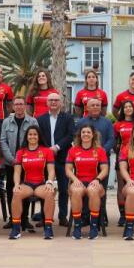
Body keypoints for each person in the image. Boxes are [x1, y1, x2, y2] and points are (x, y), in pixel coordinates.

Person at [8, 125, 56, 240]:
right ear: (26, 136)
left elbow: (51, 170)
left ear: (39, 136)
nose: (32, 136)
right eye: (30, 134)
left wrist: (49, 182)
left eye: (35, 134)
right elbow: (17, 172)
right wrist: (16, 185)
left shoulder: (46, 151)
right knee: (16, 193)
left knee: (49, 193)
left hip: (41, 183)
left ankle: (48, 227)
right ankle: (15, 228)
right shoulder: (21, 152)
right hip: (27, 184)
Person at [0, 96, 38, 230]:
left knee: (25, 190)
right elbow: (3, 141)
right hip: (11, 162)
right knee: (11, 190)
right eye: (16, 104)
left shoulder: (32, 121)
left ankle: (24, 219)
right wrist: (11, 159)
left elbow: (36, 140)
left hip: (27, 163)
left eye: (21, 104)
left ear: (25, 106)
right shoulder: (6, 122)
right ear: (13, 106)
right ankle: (12, 218)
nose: (19, 106)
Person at [37, 92, 74, 226]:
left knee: (63, 189)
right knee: (45, 188)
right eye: (51, 100)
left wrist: (57, 147)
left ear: (61, 103)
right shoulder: (40, 119)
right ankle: (44, 216)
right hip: (45, 160)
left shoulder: (68, 118)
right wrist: (47, 150)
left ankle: (62, 216)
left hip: (63, 157)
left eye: (56, 100)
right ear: (47, 103)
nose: (53, 102)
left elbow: (71, 135)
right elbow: (38, 137)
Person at [65, 125, 109, 239]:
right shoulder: (73, 150)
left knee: (93, 190)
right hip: (78, 180)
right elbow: (68, 169)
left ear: (93, 134)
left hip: (94, 181)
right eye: (83, 132)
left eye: (88, 132)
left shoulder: (100, 150)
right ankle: (77, 227)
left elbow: (105, 169)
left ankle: (93, 226)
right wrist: (75, 179)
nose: (85, 134)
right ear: (80, 135)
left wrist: (97, 179)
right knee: (76, 191)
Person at [113, 100, 134, 226]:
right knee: (121, 186)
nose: (128, 109)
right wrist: (119, 152)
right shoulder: (118, 124)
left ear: (133, 109)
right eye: (125, 107)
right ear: (122, 110)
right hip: (123, 158)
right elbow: (114, 141)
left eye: (130, 106)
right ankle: (123, 215)